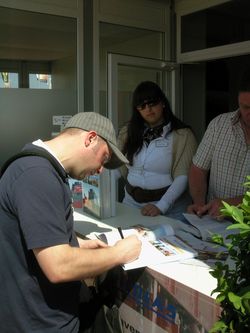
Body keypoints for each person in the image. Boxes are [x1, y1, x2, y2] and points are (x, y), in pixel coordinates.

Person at [0, 112, 141, 333]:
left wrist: (76, 244)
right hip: (39, 323)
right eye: (104, 158)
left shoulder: (36, 168)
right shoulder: (37, 176)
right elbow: (59, 266)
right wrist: (120, 253)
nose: (101, 169)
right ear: (90, 139)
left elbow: (29, 236)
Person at [117, 81, 197, 220]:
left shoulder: (183, 135)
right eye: (142, 106)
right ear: (137, 110)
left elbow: (183, 176)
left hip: (169, 209)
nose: (148, 109)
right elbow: (117, 166)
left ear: (163, 103)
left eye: (152, 103)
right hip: (131, 203)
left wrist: (161, 206)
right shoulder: (127, 132)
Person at [187, 68, 250, 219]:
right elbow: (198, 170)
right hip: (213, 223)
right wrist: (200, 204)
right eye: (245, 107)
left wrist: (233, 204)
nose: (249, 113)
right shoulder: (219, 124)